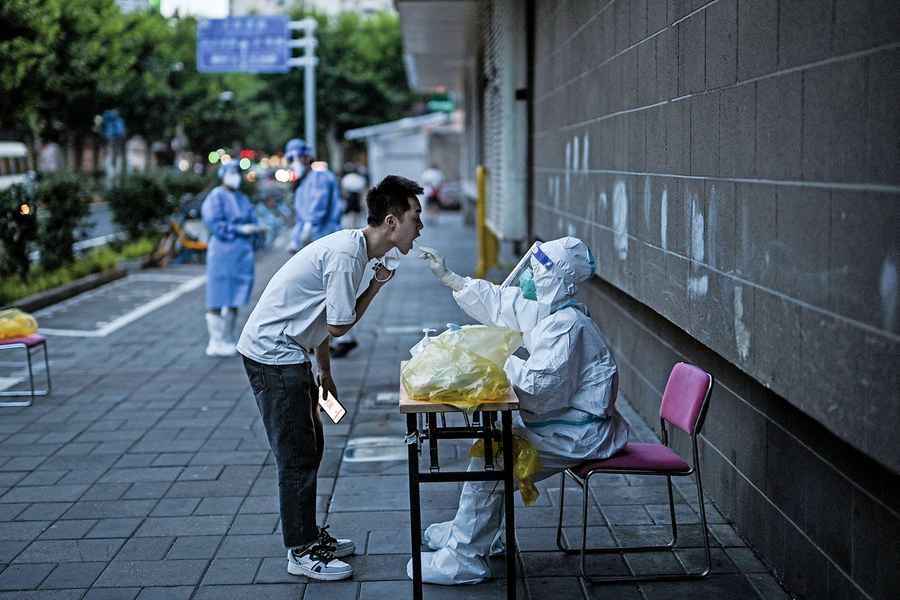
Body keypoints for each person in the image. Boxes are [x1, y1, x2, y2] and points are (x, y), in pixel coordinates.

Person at [237, 175, 425, 581]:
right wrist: (375, 287)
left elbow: (320, 313)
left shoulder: (353, 249)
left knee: (313, 445)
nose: (420, 226)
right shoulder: (347, 255)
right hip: (273, 356)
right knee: (297, 455)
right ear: (391, 222)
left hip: (291, 353)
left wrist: (324, 369)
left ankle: (307, 534)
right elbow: (339, 325)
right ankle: (300, 550)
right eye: (415, 217)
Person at [413, 236, 630, 585]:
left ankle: (464, 558)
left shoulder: (567, 326)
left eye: (538, 268)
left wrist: (490, 359)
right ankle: (475, 534)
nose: (529, 274)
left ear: (558, 279)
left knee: (493, 462)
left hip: (580, 433)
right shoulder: (551, 310)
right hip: (563, 423)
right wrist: (451, 278)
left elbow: (539, 387)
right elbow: (503, 303)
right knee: (493, 451)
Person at [201, 161, 265, 357]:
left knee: (235, 296)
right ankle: (215, 341)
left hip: (241, 254)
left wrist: (256, 228)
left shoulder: (241, 198)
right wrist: (238, 229)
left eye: (237, 172)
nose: (235, 176)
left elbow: (252, 218)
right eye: (231, 172)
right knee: (217, 295)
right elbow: (214, 222)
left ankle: (228, 338)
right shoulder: (216, 197)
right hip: (222, 253)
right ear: (223, 175)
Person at [286, 138, 343, 252]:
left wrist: (309, 226)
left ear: (307, 158)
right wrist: (295, 239)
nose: (293, 164)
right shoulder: (302, 185)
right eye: (290, 160)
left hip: (326, 237)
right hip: (313, 241)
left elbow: (319, 206)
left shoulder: (320, 177)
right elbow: (301, 218)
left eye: (296, 158)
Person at [340, 162, 368, 230]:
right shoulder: (360, 179)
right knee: (356, 217)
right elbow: (363, 192)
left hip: (350, 199)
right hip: (356, 199)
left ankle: (351, 229)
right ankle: (355, 229)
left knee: (350, 217)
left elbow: (344, 192)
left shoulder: (346, 178)